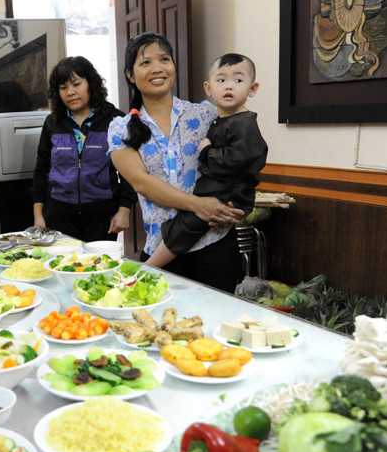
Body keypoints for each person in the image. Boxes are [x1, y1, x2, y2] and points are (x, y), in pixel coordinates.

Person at [108, 32, 244, 292]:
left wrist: (233, 205)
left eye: (164, 59)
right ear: (130, 75)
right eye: (145, 62)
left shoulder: (205, 114)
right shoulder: (120, 129)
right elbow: (141, 183)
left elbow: (236, 161)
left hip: (214, 244)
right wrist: (199, 205)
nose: (157, 68)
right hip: (160, 249)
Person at [145, 53, 267, 268]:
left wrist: (207, 151)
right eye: (221, 80)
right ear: (208, 88)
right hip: (220, 190)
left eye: (238, 80)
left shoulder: (244, 122)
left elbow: (241, 159)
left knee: (187, 226)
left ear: (252, 88)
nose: (229, 86)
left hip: (229, 192)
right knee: (185, 223)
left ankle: (150, 266)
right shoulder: (220, 118)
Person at [32, 56, 137, 241]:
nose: (70, 92)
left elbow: (131, 172)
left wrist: (124, 210)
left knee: (98, 260)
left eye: (76, 84)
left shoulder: (115, 120)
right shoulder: (52, 123)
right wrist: (38, 215)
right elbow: (41, 170)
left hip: (102, 215)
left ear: (91, 84)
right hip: (58, 214)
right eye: (63, 88)